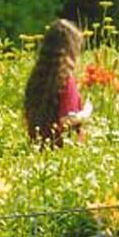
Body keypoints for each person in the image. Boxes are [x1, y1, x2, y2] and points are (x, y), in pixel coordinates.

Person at [23, 18, 88, 149]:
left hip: (37, 147)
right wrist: (85, 114)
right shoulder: (66, 81)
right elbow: (66, 120)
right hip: (63, 150)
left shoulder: (37, 78)